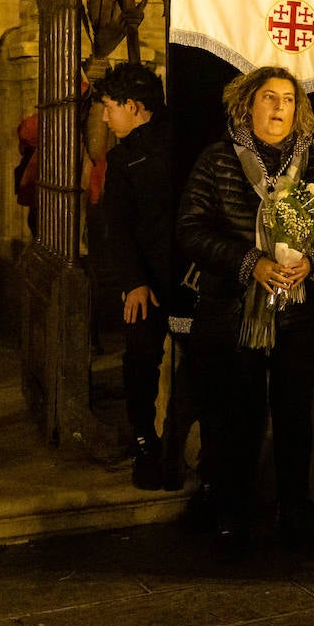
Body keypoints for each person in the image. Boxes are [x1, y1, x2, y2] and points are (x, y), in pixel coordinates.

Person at [175, 65, 314, 558]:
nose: (278, 108)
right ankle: (230, 515)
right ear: (247, 106)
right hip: (231, 316)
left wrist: (312, 261)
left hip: (296, 319)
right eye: (268, 98)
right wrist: (251, 263)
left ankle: (294, 513)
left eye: (288, 100)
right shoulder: (217, 161)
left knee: (295, 415)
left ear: (300, 111)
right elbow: (189, 229)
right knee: (235, 418)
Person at [95, 63, 175, 490]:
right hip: (146, 281)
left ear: (133, 106)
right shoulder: (122, 158)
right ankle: (145, 442)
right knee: (141, 358)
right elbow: (118, 227)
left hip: (191, 274)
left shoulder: (179, 142)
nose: (106, 118)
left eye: (110, 108)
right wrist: (134, 282)